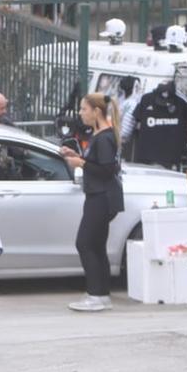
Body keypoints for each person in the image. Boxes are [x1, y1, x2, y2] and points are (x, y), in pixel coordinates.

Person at [60, 93, 124, 312]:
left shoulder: (105, 137)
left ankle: (96, 294)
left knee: (85, 243)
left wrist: (81, 164)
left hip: (102, 196)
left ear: (96, 112)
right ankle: (101, 293)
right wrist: (77, 156)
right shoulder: (99, 135)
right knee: (96, 245)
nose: (80, 113)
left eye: (84, 109)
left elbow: (107, 170)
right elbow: (98, 162)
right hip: (97, 195)